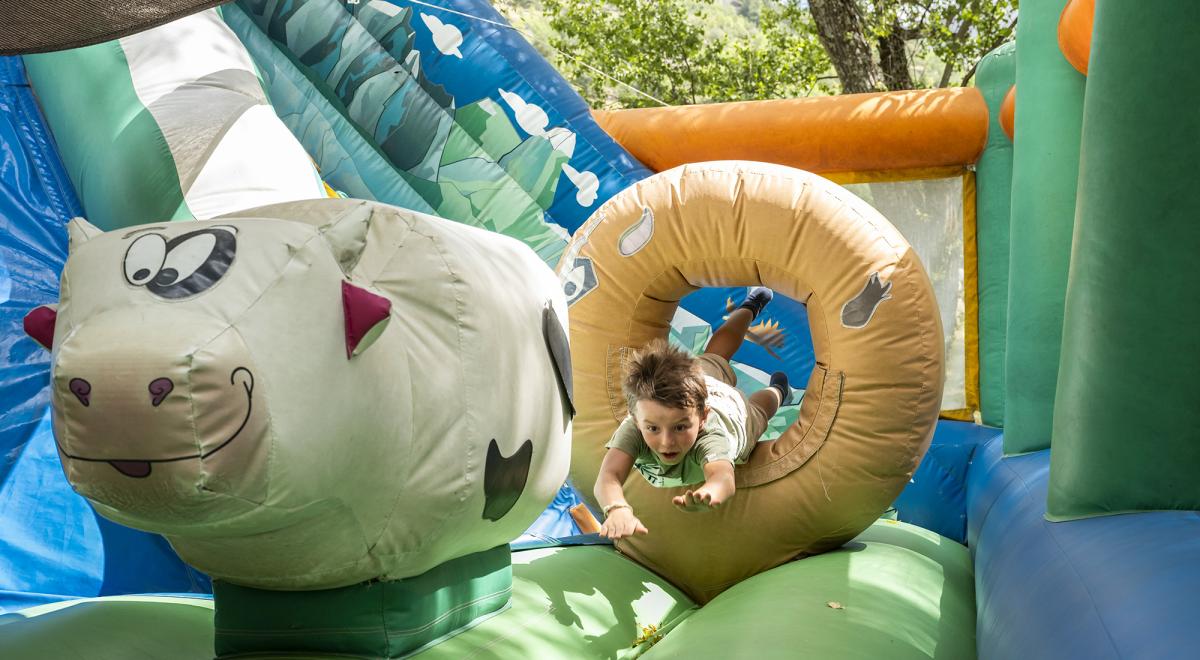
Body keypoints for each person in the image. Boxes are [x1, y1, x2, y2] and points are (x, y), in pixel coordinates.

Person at [595, 287, 791, 540]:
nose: (667, 442)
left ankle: (778, 388)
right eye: (653, 429)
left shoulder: (712, 436)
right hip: (695, 388)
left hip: (732, 411)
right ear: (635, 419)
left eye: (680, 427)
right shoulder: (636, 425)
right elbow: (608, 475)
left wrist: (711, 491)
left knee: (759, 410)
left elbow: (723, 476)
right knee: (713, 356)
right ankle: (752, 305)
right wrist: (617, 508)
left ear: (703, 418)